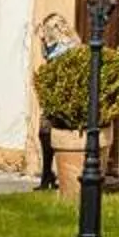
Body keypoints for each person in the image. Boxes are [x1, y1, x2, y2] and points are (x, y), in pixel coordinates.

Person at [33, 13, 78, 185]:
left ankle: (60, 176)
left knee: (57, 135)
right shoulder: (53, 46)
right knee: (44, 133)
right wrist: (42, 41)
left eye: (47, 29)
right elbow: (47, 56)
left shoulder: (70, 46)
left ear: (56, 28)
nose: (45, 33)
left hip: (65, 98)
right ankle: (47, 175)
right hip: (52, 97)